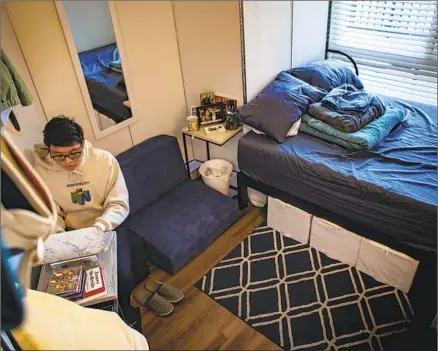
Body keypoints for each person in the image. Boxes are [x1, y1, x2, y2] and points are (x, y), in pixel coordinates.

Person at [33, 116, 150, 331]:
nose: (68, 162)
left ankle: (127, 310)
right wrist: (59, 234)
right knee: (76, 286)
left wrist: (101, 226)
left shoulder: (104, 161)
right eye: (58, 156)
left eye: (74, 153)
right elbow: (52, 212)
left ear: (83, 144)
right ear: (49, 150)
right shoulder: (41, 172)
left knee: (122, 275)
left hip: (108, 226)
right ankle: (102, 323)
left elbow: (119, 204)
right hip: (71, 232)